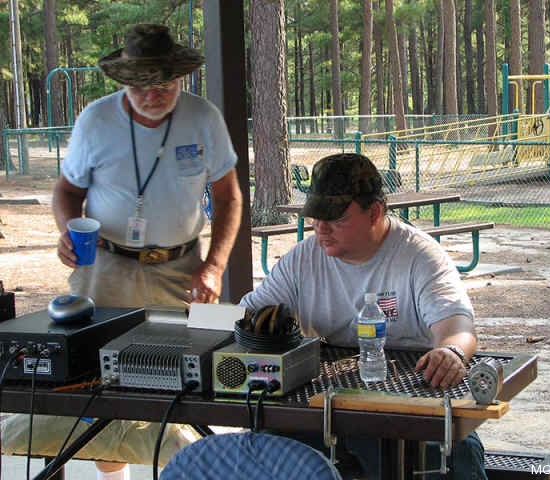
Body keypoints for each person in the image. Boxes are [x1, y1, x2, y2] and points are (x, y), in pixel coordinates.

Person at [1, 24, 241, 480]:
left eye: (164, 84)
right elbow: (67, 191)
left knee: (179, 383)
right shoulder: (96, 120)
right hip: (105, 267)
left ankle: (181, 469)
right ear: (123, 82)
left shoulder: (203, 117)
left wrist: (215, 265)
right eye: (141, 86)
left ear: (180, 77)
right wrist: (67, 232)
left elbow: (229, 197)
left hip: (180, 267)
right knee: (98, 383)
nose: (153, 95)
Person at [240, 153, 486, 479]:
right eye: (316, 217)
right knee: (264, 444)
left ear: (374, 213)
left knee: (456, 452)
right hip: (325, 404)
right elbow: (248, 316)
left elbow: (457, 323)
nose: (321, 228)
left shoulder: (419, 255)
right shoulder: (301, 260)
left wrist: (450, 351)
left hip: (412, 398)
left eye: (336, 218)